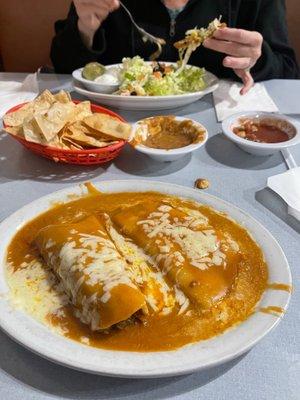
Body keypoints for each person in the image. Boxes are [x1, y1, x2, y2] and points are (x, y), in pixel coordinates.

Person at [51, 0, 299, 94]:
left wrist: (257, 59)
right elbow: (64, 66)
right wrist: (84, 29)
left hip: (221, 133)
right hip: (117, 130)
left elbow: (287, 70)